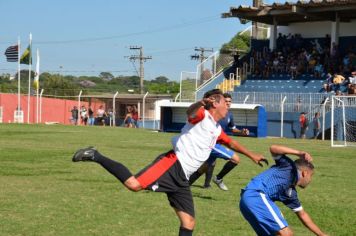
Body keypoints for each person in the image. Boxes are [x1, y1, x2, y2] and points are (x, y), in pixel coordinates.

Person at [72, 89, 267, 236]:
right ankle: (95, 155)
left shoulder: (216, 128)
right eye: (226, 102)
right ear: (214, 103)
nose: (228, 106)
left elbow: (231, 142)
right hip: (173, 165)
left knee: (188, 222)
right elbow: (191, 113)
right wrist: (200, 102)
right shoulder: (201, 116)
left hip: (183, 178)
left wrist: (252, 155)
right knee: (134, 184)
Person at [239, 145, 328, 236]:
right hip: (256, 195)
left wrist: (321, 234)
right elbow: (273, 148)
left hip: (246, 202)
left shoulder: (290, 193)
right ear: (304, 173)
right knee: (286, 234)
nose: (310, 180)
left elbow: (302, 215)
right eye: (311, 176)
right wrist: (299, 153)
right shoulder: (288, 166)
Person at [189, 93, 251, 191]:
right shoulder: (212, 112)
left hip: (218, 142)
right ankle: (218, 178)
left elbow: (233, 128)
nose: (228, 103)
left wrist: (241, 132)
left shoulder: (229, 114)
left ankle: (186, 185)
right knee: (235, 159)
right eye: (225, 101)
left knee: (206, 166)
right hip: (209, 143)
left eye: (229, 101)